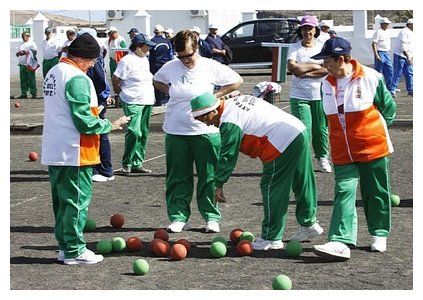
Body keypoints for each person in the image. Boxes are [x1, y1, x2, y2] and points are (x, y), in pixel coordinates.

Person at [190, 91, 323, 249]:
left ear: (214, 110)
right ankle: (309, 224)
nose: (207, 123)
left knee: (271, 187)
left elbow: (228, 155)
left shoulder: (229, 120)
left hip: (279, 142)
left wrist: (218, 183)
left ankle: (271, 237)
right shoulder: (235, 102)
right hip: (297, 130)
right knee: (302, 180)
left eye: (205, 118)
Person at [41, 33, 129, 265]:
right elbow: (84, 121)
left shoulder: (53, 72)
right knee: (76, 202)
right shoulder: (77, 78)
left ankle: (65, 246)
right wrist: (111, 124)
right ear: (82, 59)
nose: (92, 66)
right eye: (91, 62)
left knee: (61, 203)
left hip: (55, 147)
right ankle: (74, 250)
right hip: (75, 149)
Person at [310, 37, 396, 260]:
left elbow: (389, 109)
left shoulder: (371, 77)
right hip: (342, 151)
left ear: (341, 59)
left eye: (327, 61)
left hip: (372, 146)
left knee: (375, 191)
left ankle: (379, 233)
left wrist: (376, 131)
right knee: (344, 192)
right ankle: (340, 241)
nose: (324, 65)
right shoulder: (325, 84)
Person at [153, 30, 243, 233]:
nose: (185, 60)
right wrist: (169, 92)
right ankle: (178, 216)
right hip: (176, 130)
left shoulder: (210, 66)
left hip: (205, 131)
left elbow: (237, 81)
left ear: (197, 49)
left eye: (188, 55)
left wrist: (215, 96)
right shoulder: (170, 67)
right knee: (178, 176)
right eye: (181, 56)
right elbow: (157, 80)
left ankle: (211, 217)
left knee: (208, 175)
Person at [287, 15, 332, 173]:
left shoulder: (322, 47)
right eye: (305, 28)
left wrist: (305, 71)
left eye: (310, 29)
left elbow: (326, 69)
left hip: (319, 94)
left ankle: (322, 157)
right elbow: (293, 68)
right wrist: (315, 65)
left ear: (315, 30)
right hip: (299, 95)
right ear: (301, 30)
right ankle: (302, 160)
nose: (308, 32)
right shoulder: (294, 47)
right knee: (304, 129)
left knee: (320, 129)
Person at [112, 33, 156, 175]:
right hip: (132, 100)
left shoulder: (144, 59)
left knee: (143, 132)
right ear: (138, 47)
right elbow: (116, 78)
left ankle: (137, 162)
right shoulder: (127, 61)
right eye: (146, 46)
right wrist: (119, 93)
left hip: (147, 100)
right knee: (134, 131)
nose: (148, 49)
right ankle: (127, 162)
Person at [80, 28, 116, 182]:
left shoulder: (92, 59)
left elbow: (100, 80)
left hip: (95, 102)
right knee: (99, 134)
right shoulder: (97, 54)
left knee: (98, 134)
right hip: (96, 100)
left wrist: (102, 99)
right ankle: (102, 168)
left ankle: (103, 169)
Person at [149, 24, 173, 106]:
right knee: (167, 82)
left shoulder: (152, 41)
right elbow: (171, 54)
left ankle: (159, 100)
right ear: (162, 32)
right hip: (166, 64)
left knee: (156, 82)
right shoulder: (167, 41)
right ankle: (167, 99)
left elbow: (150, 55)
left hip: (155, 64)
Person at [371, 17, 395, 97]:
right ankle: (378, 90)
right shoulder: (378, 32)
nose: (388, 25)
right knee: (379, 73)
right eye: (386, 24)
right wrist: (376, 54)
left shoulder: (387, 32)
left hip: (386, 53)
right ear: (382, 24)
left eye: (388, 24)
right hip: (380, 52)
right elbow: (374, 43)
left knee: (389, 71)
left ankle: (390, 90)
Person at [392, 18, 413, 97]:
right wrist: (408, 56)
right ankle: (392, 90)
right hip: (400, 55)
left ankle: (410, 90)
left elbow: (411, 46)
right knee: (398, 73)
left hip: (408, 56)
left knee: (409, 73)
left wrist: (411, 57)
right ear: (410, 25)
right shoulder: (404, 32)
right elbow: (403, 46)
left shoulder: (411, 33)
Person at [16, 32, 38, 99]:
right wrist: (18, 53)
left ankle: (33, 93)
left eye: (24, 36)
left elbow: (34, 52)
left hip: (29, 64)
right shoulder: (21, 44)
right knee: (23, 79)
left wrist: (25, 52)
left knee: (31, 79)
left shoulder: (32, 44)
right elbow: (20, 53)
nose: (23, 37)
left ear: (28, 36)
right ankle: (24, 93)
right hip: (22, 64)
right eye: (22, 36)